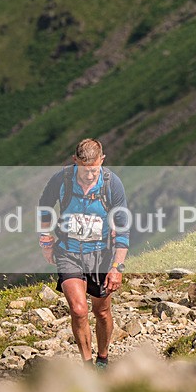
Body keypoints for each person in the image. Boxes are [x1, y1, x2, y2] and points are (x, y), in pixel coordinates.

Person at [38, 139, 129, 368]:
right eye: (84, 169)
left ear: (103, 160)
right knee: (79, 311)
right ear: (75, 161)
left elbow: (122, 228)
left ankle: (103, 358)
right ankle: (87, 366)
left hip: (101, 255)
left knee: (102, 312)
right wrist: (46, 240)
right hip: (69, 253)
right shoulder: (62, 180)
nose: (89, 176)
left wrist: (117, 268)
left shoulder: (112, 184)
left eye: (95, 170)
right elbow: (45, 207)